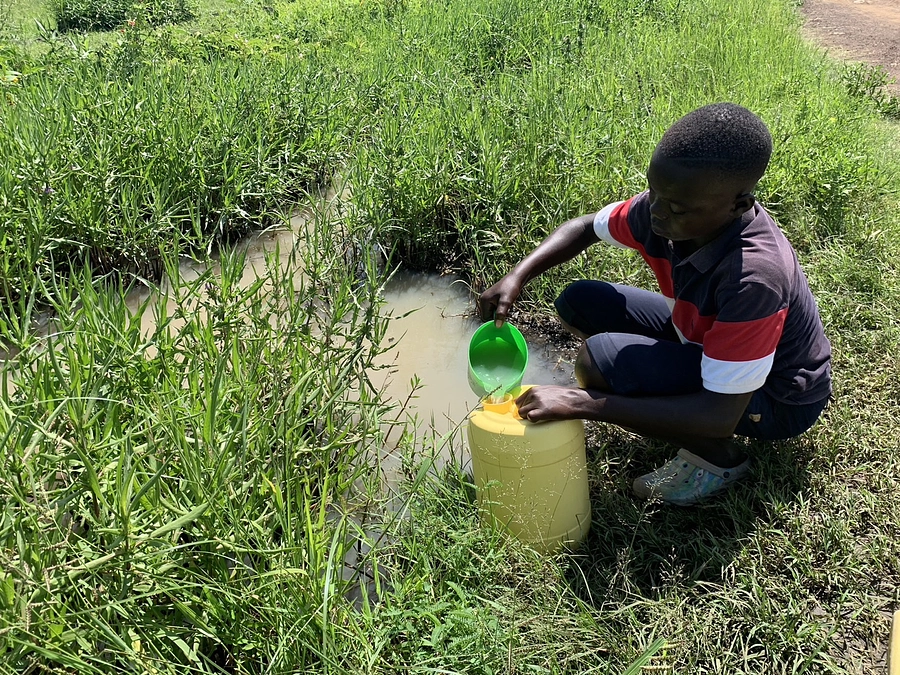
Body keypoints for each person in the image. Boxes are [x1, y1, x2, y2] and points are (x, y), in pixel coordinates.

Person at [477, 103, 832, 506]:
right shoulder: (667, 209)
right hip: (704, 338)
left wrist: (582, 403)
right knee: (582, 301)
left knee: (598, 362)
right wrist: (517, 275)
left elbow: (718, 415)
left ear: (738, 205)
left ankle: (718, 459)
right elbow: (583, 227)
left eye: (676, 207)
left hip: (776, 395)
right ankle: (670, 381)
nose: (657, 212)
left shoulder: (753, 277)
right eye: (654, 190)